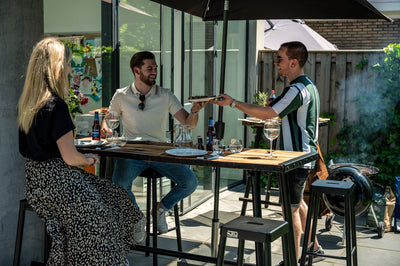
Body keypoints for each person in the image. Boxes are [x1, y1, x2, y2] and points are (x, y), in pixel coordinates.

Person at [17, 38, 142, 265]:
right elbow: (70, 157)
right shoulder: (56, 105)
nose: (69, 68)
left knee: (110, 198)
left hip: (36, 183)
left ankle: (105, 257)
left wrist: (79, 159)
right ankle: (110, 259)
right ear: (57, 67)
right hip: (58, 181)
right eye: (67, 63)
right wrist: (87, 158)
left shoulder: (28, 104)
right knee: (104, 213)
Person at [210, 41, 324, 263]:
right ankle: (315, 247)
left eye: (279, 59)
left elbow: (269, 114)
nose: (276, 63)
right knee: (297, 202)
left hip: (296, 159)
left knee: (288, 211)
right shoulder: (308, 84)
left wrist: (233, 103)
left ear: (293, 62)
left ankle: (292, 260)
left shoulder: (296, 89)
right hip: (304, 156)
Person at [101, 51, 205, 236]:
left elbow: (187, 123)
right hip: (132, 152)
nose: (154, 72)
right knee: (118, 184)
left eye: (155, 68)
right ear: (136, 70)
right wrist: (106, 129)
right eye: (149, 68)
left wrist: (195, 110)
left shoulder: (165, 94)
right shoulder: (121, 95)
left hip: (160, 151)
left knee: (189, 182)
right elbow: (109, 120)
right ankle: (137, 217)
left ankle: (160, 209)